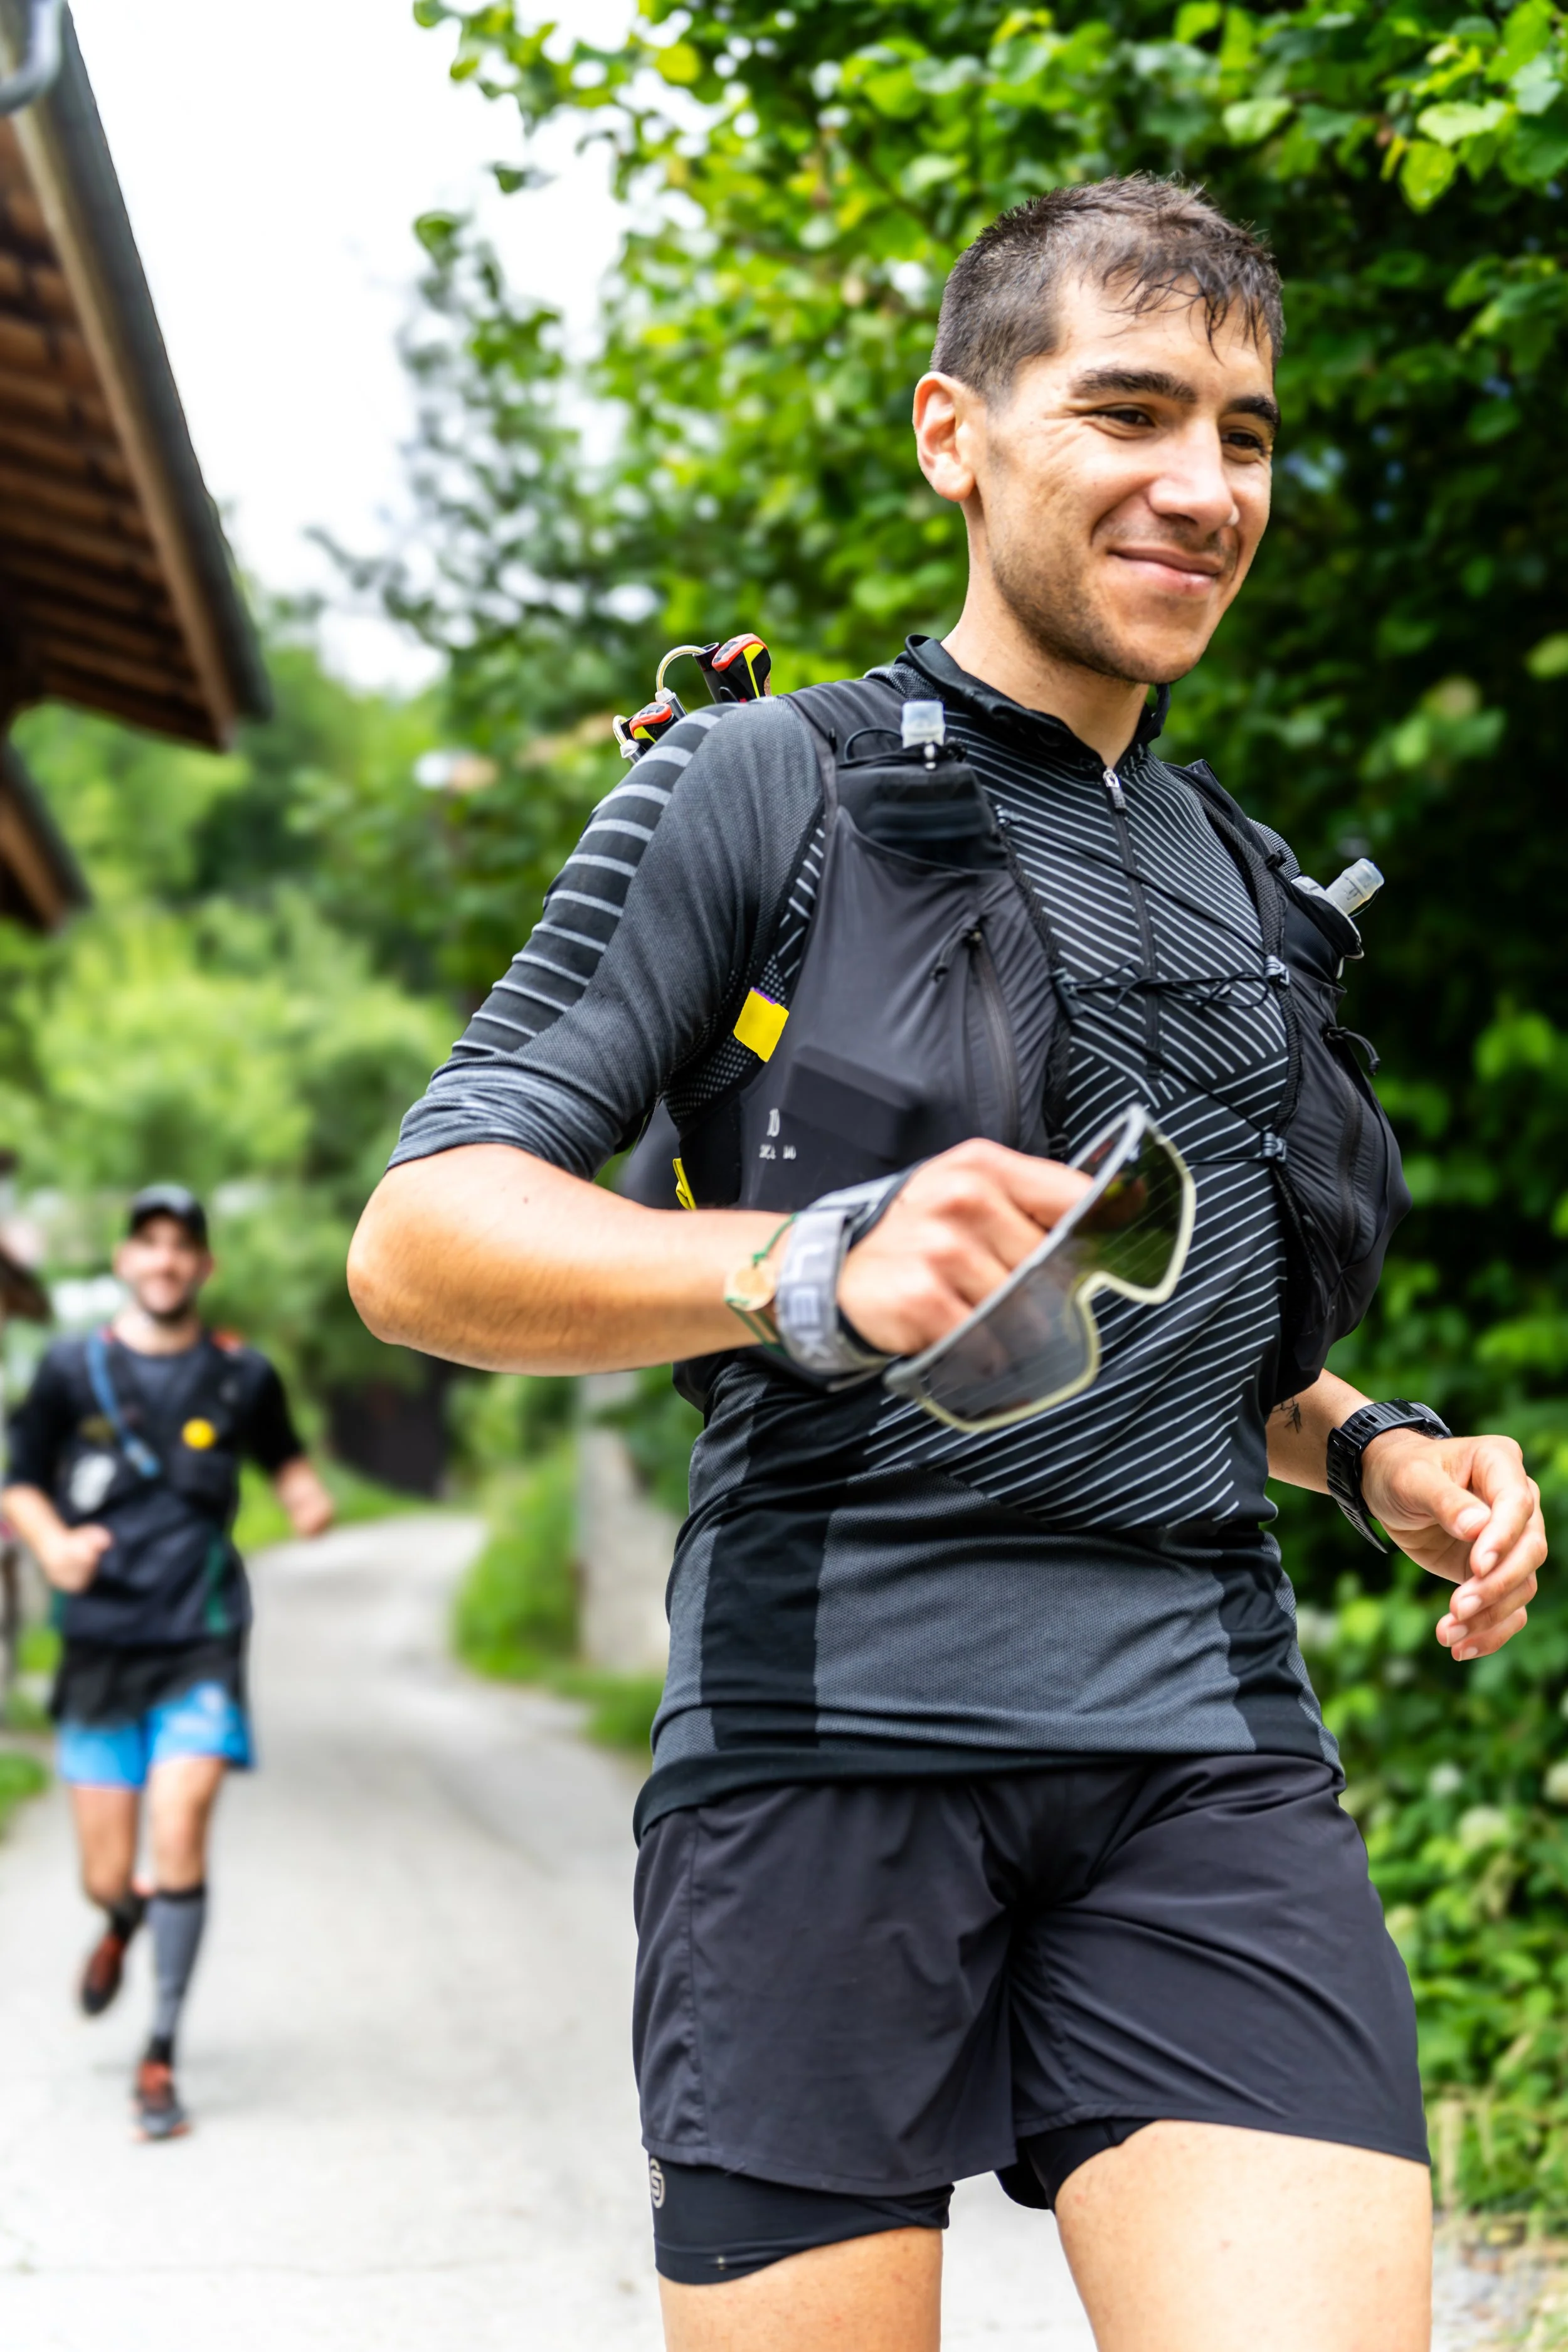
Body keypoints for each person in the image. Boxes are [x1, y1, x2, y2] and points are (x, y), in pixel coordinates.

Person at [347, 177, 1547, 2351]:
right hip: (823, 1755)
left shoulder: (1241, 874)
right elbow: (424, 1239)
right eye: (1131, 410)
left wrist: (1369, 1449)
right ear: (954, 436)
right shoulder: (755, 788)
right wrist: (806, 1263)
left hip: (1201, 1753)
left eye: (1248, 433)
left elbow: (1128, 1302)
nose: (1204, 485)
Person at [3, 1184, 334, 2142]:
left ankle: (160, 2050)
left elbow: (290, 1464)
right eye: (146, 1244)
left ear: (205, 1266)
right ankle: (121, 1917)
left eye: (181, 1246)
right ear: (122, 1261)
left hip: (201, 1634)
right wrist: (52, 1543)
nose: (164, 1261)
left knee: (180, 1817)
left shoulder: (241, 1377)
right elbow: (19, 1478)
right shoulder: (71, 1370)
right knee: (106, 1874)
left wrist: (310, 1502)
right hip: (100, 1643)